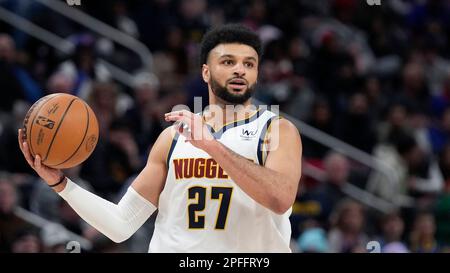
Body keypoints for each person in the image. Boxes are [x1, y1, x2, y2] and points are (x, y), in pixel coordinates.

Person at [17, 24, 302, 252]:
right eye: (228, 61)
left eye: (249, 64)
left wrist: (212, 146)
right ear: (205, 71)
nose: (240, 69)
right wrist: (60, 183)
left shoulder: (277, 131)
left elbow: (279, 198)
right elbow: (121, 224)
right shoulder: (172, 138)